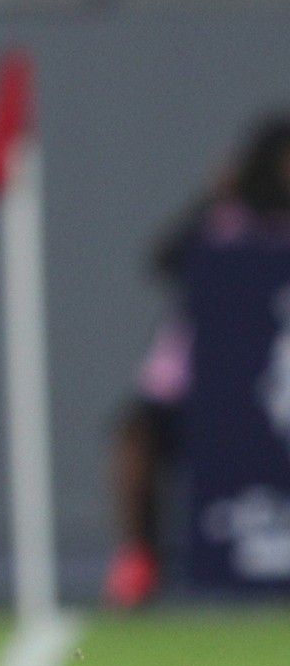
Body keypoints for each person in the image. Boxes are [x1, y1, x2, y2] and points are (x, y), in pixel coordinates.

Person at [104, 112, 290, 606]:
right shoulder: (225, 222)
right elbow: (165, 259)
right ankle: (140, 558)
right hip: (208, 384)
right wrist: (215, 194)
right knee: (136, 434)